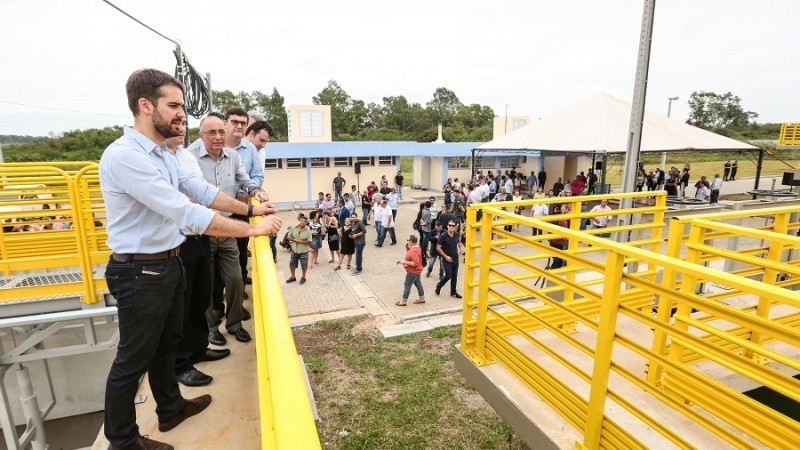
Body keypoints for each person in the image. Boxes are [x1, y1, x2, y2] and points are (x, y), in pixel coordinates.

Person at [99, 68, 281, 450]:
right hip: (140, 270)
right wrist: (251, 230)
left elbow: (199, 189)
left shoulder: (162, 153)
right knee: (132, 360)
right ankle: (123, 441)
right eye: (175, 105)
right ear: (146, 106)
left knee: (167, 343)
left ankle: (171, 408)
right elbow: (186, 210)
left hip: (167, 261)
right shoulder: (127, 157)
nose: (182, 114)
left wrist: (249, 211)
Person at [165, 124, 230, 388]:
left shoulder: (185, 156)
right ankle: (182, 364)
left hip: (200, 235)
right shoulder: (157, 158)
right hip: (180, 241)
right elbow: (186, 204)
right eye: (174, 123)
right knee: (182, 305)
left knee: (200, 299)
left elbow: (203, 192)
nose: (180, 129)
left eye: (183, 124)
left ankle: (199, 348)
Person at [191, 115, 265, 345]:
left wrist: (256, 191)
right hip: (202, 231)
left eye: (221, 132)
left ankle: (234, 323)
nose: (217, 137)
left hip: (227, 227)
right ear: (201, 136)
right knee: (207, 283)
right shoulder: (190, 158)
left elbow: (245, 179)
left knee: (235, 278)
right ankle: (212, 327)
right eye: (211, 133)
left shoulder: (233, 156)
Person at [435, 219, 465, 299]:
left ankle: (453, 292)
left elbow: (458, 242)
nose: (451, 227)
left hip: (455, 258)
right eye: (449, 225)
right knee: (448, 276)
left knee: (454, 276)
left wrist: (460, 248)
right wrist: (446, 257)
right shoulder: (443, 236)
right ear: (447, 226)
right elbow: (438, 248)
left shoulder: (457, 235)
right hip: (446, 259)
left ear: (455, 227)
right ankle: (439, 285)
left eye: (452, 226)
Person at [395, 235, 425, 306]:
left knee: (407, 284)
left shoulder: (413, 251)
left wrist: (404, 262)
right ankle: (422, 298)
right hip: (417, 270)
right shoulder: (416, 247)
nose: (407, 241)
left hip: (413, 271)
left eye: (407, 240)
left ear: (411, 241)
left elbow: (415, 263)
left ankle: (403, 301)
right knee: (418, 283)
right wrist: (407, 247)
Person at [286, 216, 311, 284]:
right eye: (301, 220)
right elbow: (288, 236)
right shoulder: (293, 228)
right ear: (299, 221)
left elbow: (309, 241)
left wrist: (302, 242)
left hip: (304, 251)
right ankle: (293, 277)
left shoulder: (308, 231)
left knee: (304, 265)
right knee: (292, 265)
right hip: (294, 250)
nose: (303, 222)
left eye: (304, 221)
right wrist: (294, 240)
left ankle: (303, 278)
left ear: (306, 222)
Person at [548, 204, 571, 270]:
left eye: (563, 209)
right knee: (558, 255)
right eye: (561, 209)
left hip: (560, 239)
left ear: (567, 209)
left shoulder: (565, 218)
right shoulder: (562, 218)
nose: (562, 210)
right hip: (559, 239)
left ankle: (556, 267)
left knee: (558, 255)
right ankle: (557, 267)